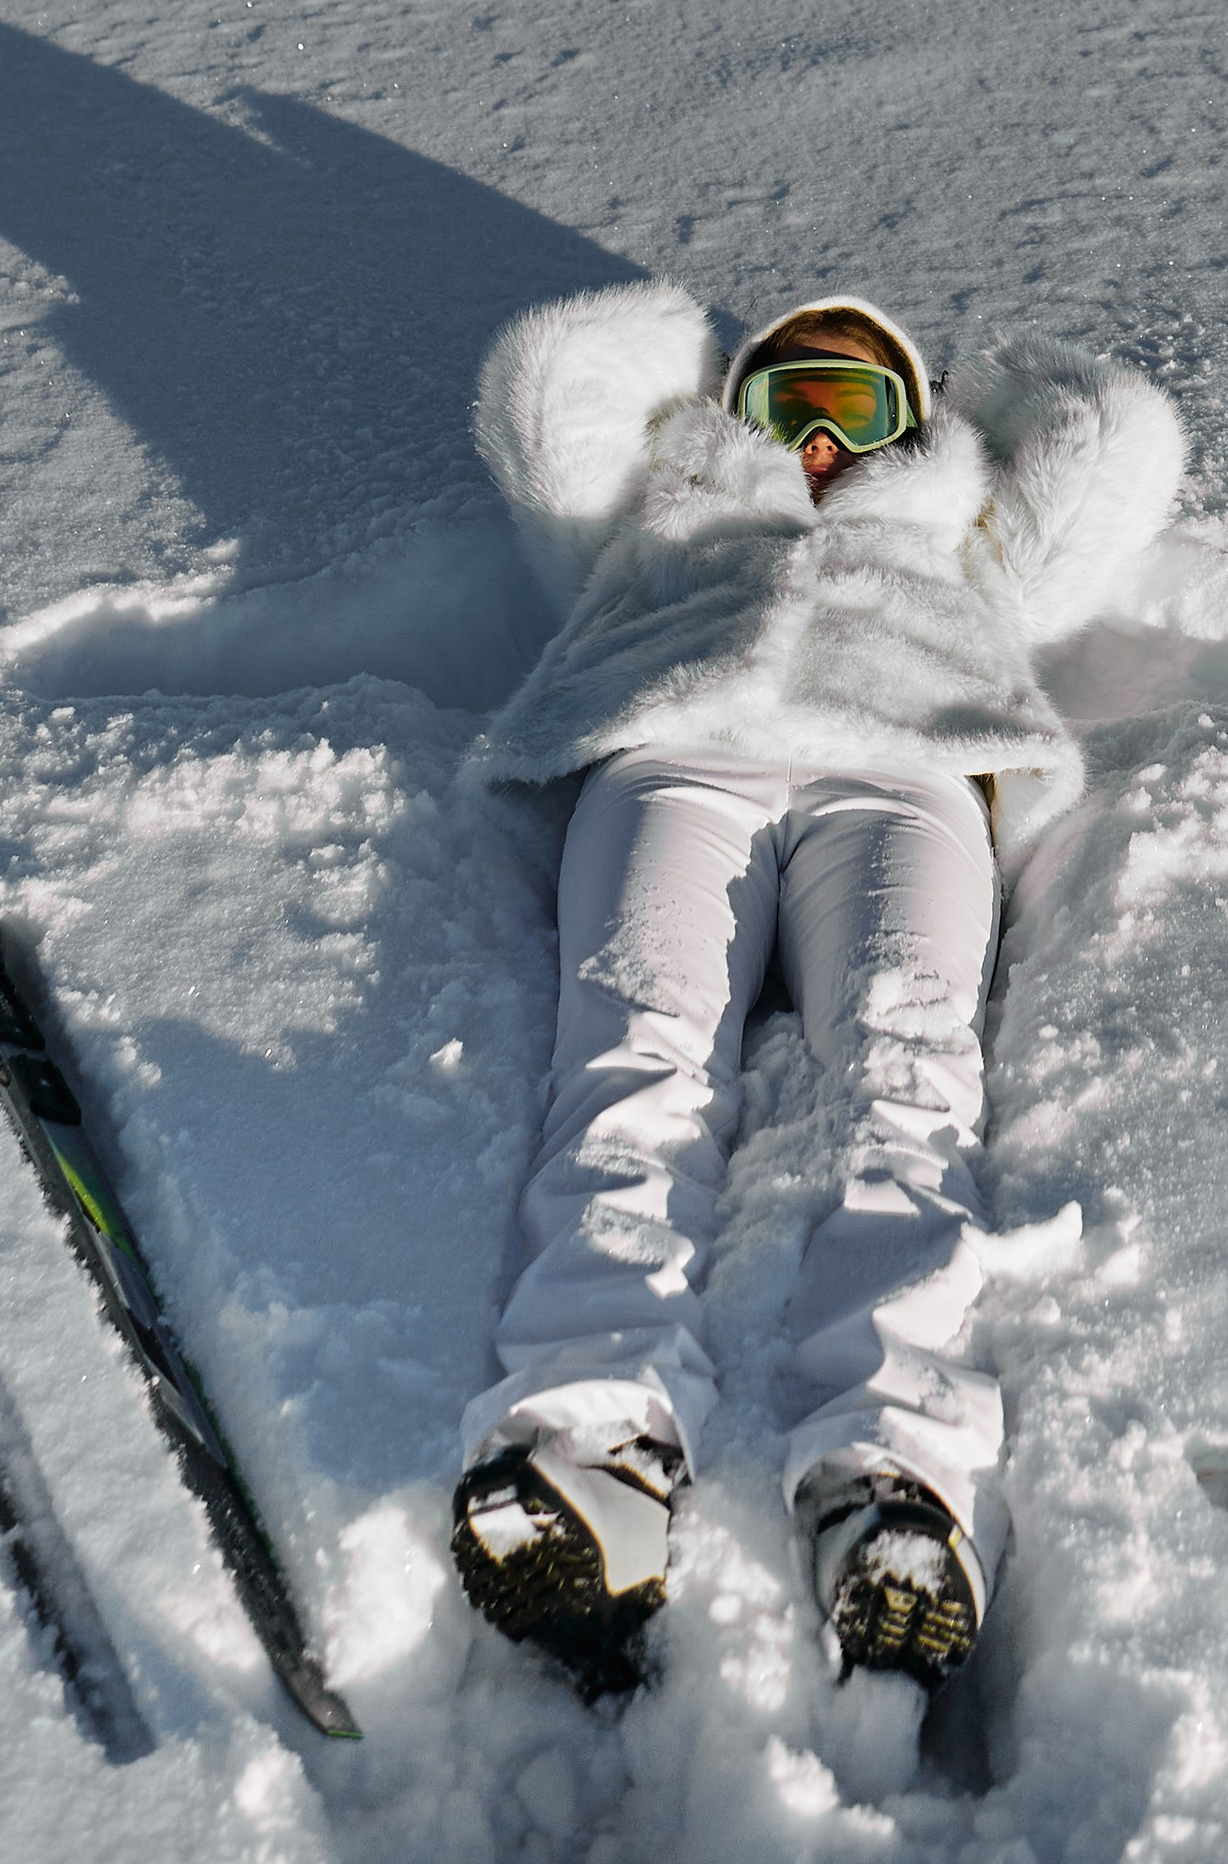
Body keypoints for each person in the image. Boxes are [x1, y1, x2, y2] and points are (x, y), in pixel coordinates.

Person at [447, 283, 1184, 1697]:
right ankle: (587, 1433)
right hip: (674, 757)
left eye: (866, 407)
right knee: (635, 1059)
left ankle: (895, 1476)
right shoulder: (666, 518)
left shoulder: (958, 550)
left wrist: (996, 415)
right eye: (796, 400)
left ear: (920, 428)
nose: (830, 441)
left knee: (907, 1086)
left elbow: (1107, 456)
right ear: (735, 413)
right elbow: (548, 402)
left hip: (902, 777)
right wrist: (687, 385)